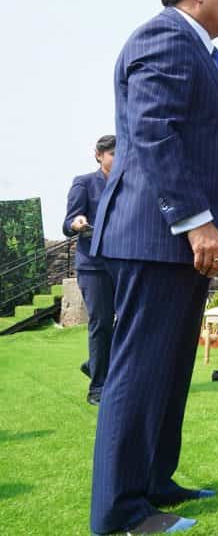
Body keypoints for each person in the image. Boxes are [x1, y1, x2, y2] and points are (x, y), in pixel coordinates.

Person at [89, 0, 218, 534]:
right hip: (155, 236)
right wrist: (196, 220)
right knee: (138, 371)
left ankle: (155, 481)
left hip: (173, 241)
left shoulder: (198, 49)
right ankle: (120, 512)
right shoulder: (165, 38)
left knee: (169, 369)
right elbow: (155, 134)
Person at [63, 134, 116, 406]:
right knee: (101, 321)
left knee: (129, 321)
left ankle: (94, 363)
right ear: (99, 155)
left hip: (122, 263)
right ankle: (97, 388)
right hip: (93, 265)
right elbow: (68, 222)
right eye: (112, 154)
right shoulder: (84, 182)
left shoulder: (127, 184)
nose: (117, 159)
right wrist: (76, 223)